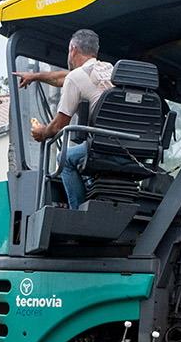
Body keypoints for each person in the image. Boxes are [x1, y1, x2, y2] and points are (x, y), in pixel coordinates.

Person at [17, 28, 114, 209]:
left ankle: (77, 212)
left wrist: (41, 133)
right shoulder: (110, 70)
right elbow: (64, 78)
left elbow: (58, 126)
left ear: (73, 49)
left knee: (66, 158)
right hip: (132, 148)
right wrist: (35, 76)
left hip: (104, 149)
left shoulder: (77, 77)